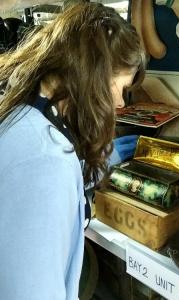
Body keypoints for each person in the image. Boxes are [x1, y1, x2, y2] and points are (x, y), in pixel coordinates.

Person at [0, 3, 145, 300]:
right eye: (120, 87)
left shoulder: (25, 112)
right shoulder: (44, 163)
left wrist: (83, 171)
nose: (120, 103)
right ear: (92, 77)